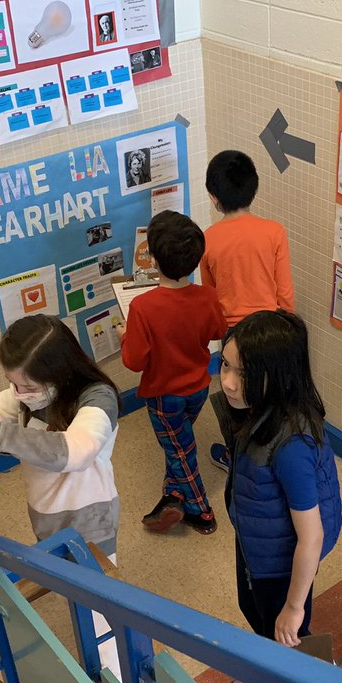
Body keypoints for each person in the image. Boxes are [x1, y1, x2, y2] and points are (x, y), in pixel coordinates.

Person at [220, 310, 342, 683]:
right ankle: (287, 657)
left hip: (280, 558)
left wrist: (294, 607)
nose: (228, 382)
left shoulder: (292, 447)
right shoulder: (262, 411)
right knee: (253, 607)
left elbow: (312, 537)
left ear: (276, 375)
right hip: (259, 541)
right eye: (225, 365)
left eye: (242, 373)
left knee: (284, 623)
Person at [0, 315, 122, 553]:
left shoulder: (98, 398)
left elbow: (76, 452)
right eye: (12, 384)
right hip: (45, 512)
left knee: (91, 583)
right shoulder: (26, 394)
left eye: (30, 388)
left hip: (90, 517)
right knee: (61, 577)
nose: (20, 394)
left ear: (62, 372)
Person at [120, 211, 227, 535]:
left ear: (153, 259)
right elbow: (217, 330)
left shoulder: (142, 307)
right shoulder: (207, 296)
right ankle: (174, 494)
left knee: (182, 450)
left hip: (164, 394)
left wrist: (127, 335)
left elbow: (134, 362)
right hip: (199, 386)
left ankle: (200, 511)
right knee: (178, 445)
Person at [201, 150, 296, 472]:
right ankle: (274, 455)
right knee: (270, 395)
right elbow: (284, 291)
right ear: (254, 188)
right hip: (271, 328)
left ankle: (238, 458)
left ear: (214, 198)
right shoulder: (274, 231)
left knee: (236, 396)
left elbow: (211, 296)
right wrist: (289, 327)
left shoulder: (208, 239)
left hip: (234, 335)